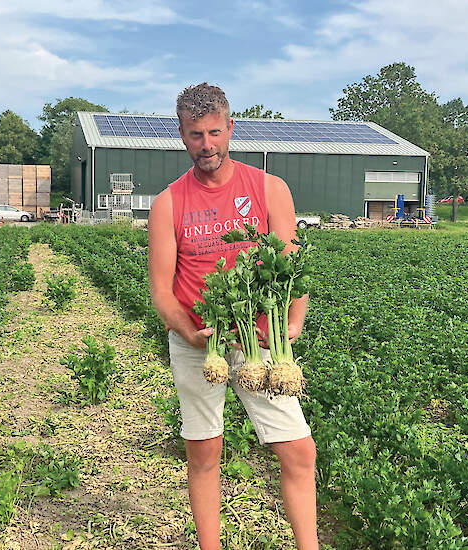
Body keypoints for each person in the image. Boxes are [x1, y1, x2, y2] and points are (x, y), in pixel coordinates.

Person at [147, 83, 318, 550]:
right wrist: (192, 334)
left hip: (260, 343)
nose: (207, 145)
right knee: (205, 452)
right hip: (198, 343)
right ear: (181, 135)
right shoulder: (168, 203)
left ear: (231, 128)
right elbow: (162, 292)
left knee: (299, 450)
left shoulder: (267, 188)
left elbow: (291, 264)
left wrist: (293, 325)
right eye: (196, 134)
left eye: (215, 133)